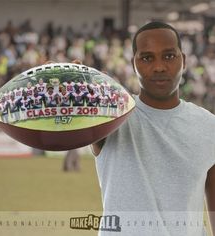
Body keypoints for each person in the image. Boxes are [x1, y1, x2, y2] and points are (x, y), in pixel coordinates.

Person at [91, 21, 215, 236]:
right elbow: (68, 111)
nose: (159, 66)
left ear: (183, 60)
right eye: (147, 58)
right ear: (134, 64)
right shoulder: (111, 113)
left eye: (169, 56)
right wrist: (66, 82)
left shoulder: (209, 126)